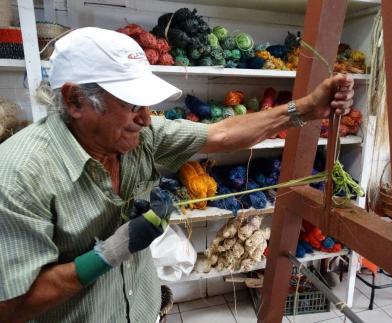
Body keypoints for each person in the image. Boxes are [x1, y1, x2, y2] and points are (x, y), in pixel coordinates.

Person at [0, 27, 354, 323]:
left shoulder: (144, 137)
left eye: (146, 105)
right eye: (130, 104)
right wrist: (112, 250)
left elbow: (223, 134)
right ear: (76, 101)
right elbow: (13, 304)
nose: (145, 117)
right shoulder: (18, 175)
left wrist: (307, 108)